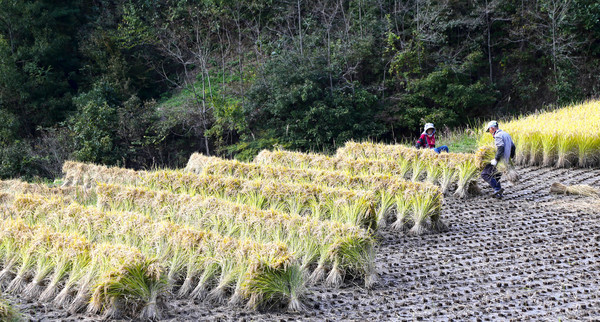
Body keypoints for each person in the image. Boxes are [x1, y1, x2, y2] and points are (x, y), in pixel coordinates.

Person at [481, 120, 515, 198]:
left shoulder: (498, 135)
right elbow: (513, 147)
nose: (489, 132)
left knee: (485, 174)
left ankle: (497, 189)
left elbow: (500, 147)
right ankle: (499, 193)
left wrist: (496, 159)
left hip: (500, 160)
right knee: (495, 176)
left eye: (489, 130)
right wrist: (510, 158)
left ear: (492, 128)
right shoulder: (506, 134)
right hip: (505, 161)